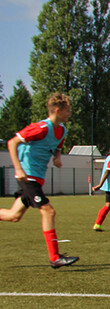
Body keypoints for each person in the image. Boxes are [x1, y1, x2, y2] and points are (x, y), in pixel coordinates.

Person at [1, 92, 78, 268]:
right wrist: (19, 169)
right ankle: (55, 257)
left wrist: (57, 157)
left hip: (37, 178)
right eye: (68, 110)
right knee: (49, 211)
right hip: (27, 176)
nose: (70, 114)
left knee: (14, 216)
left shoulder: (62, 130)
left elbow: (57, 147)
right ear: (58, 110)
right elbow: (12, 142)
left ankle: (55, 257)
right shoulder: (41, 127)